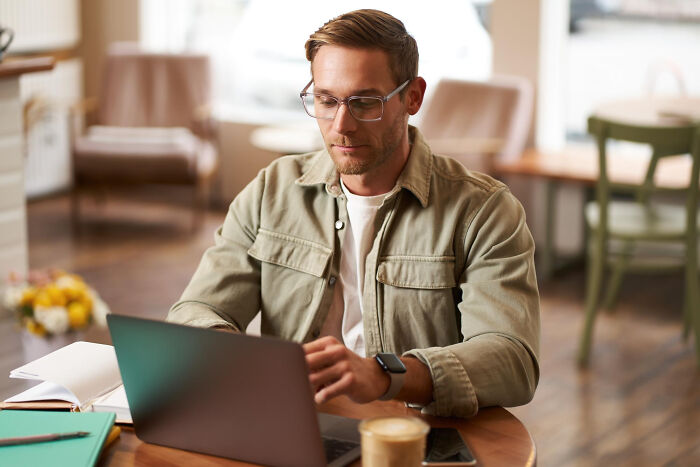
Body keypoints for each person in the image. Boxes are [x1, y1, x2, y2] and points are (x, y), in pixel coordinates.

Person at [167, 9, 540, 419]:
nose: (341, 125)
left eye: (365, 103)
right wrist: (232, 353)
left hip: (414, 434)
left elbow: (512, 359)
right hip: (295, 426)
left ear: (412, 97)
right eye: (326, 101)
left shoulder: (484, 211)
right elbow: (197, 311)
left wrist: (385, 375)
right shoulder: (272, 190)